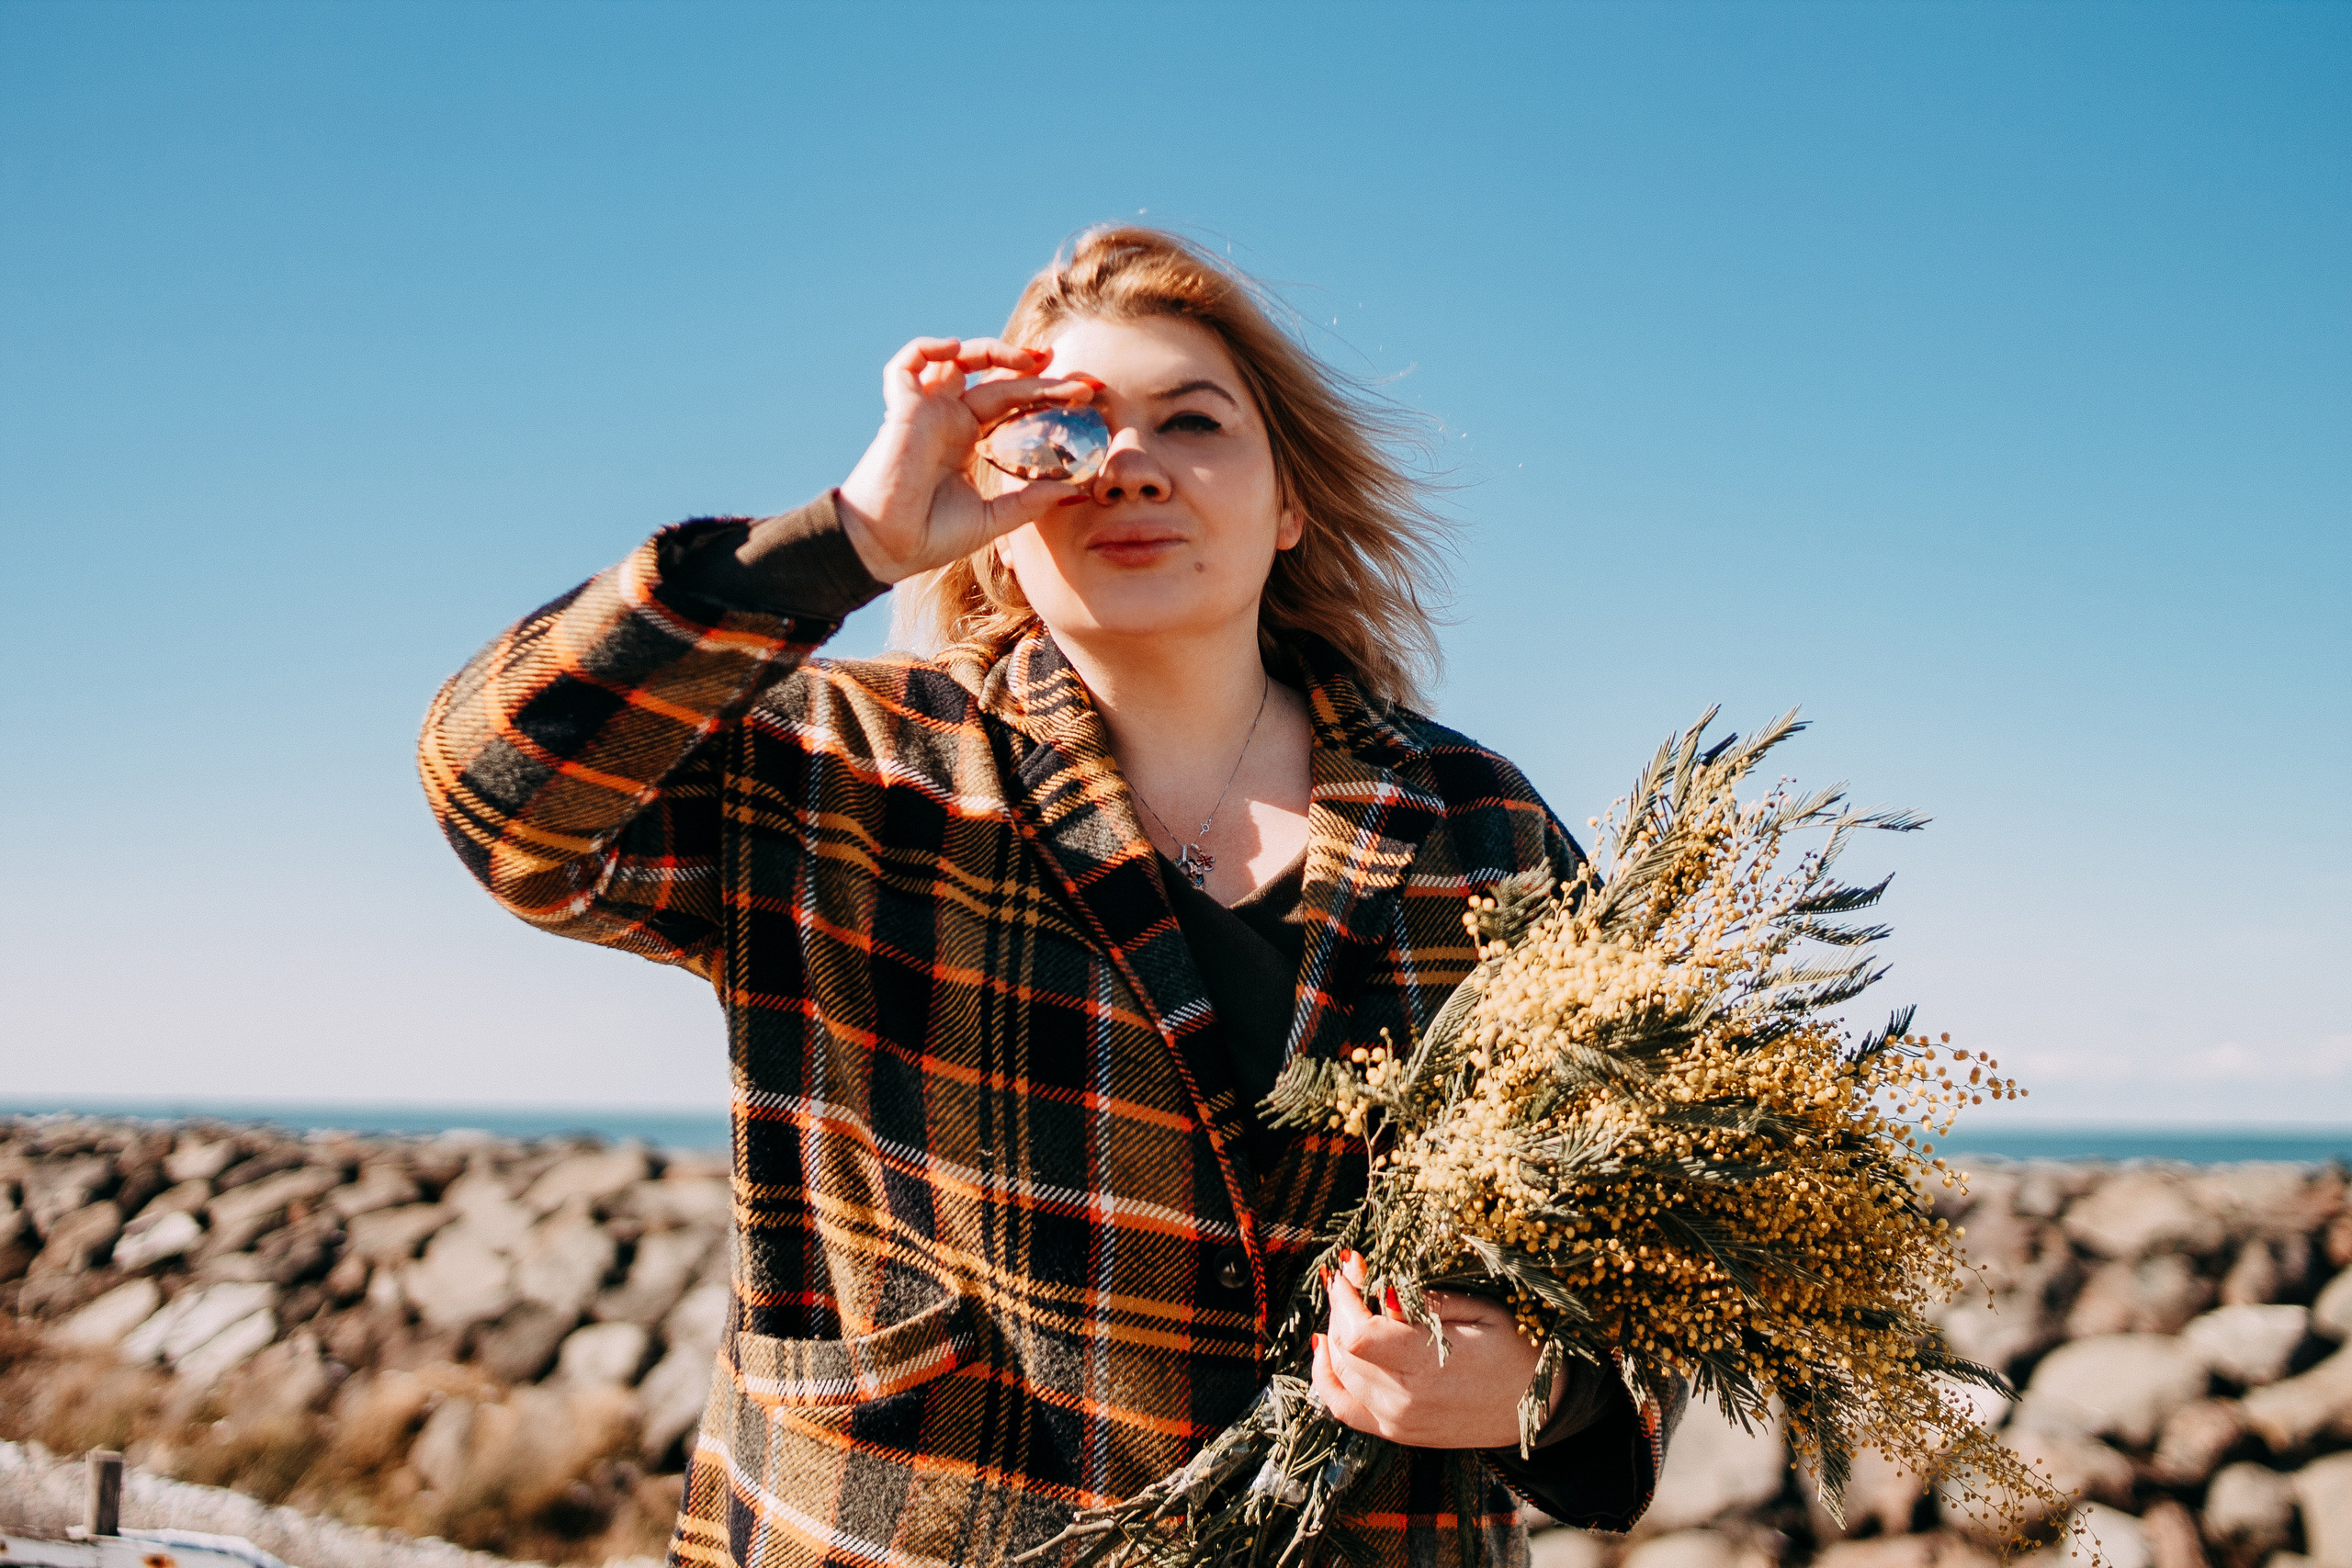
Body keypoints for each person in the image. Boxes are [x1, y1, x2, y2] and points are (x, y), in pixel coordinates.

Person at [419, 226, 1678, 1568]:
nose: (1129, 463)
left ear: (1289, 503)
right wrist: (849, 540)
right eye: (1062, 427)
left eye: (1192, 422)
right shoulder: (837, 771)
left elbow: (1665, 1227)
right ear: (1000, 525)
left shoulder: (1479, 824)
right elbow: (500, 793)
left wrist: (1549, 1385)